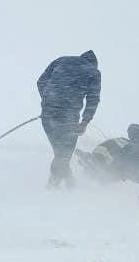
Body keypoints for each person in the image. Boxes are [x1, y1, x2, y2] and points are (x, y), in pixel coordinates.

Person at [36, 50, 101, 188]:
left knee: (60, 153)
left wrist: (48, 101)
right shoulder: (93, 72)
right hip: (69, 117)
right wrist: (85, 121)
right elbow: (93, 99)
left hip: (48, 115)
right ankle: (53, 187)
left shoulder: (61, 61)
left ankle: (69, 182)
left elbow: (40, 81)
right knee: (64, 154)